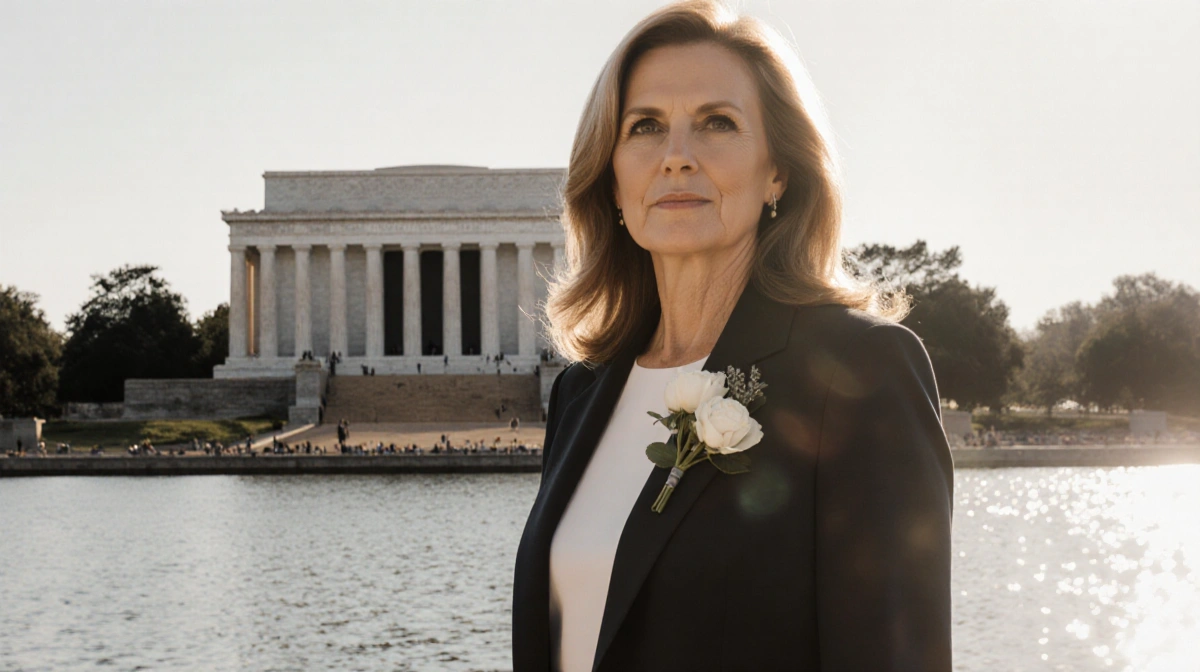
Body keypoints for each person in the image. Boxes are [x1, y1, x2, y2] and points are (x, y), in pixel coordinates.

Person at [511, 3, 954, 671]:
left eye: (717, 123)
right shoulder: (581, 393)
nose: (677, 158)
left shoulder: (858, 371)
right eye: (646, 127)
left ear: (778, 171)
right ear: (612, 179)